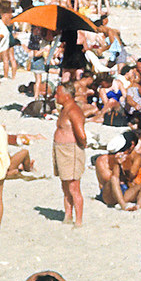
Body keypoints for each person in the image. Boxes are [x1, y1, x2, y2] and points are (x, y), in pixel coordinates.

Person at [50, 84, 87, 228]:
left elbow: (81, 134)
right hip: (61, 149)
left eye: (58, 94)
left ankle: (78, 221)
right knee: (65, 185)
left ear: (67, 96)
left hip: (70, 151)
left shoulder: (74, 111)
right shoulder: (64, 109)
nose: (55, 96)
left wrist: (82, 144)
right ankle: (68, 215)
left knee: (73, 187)